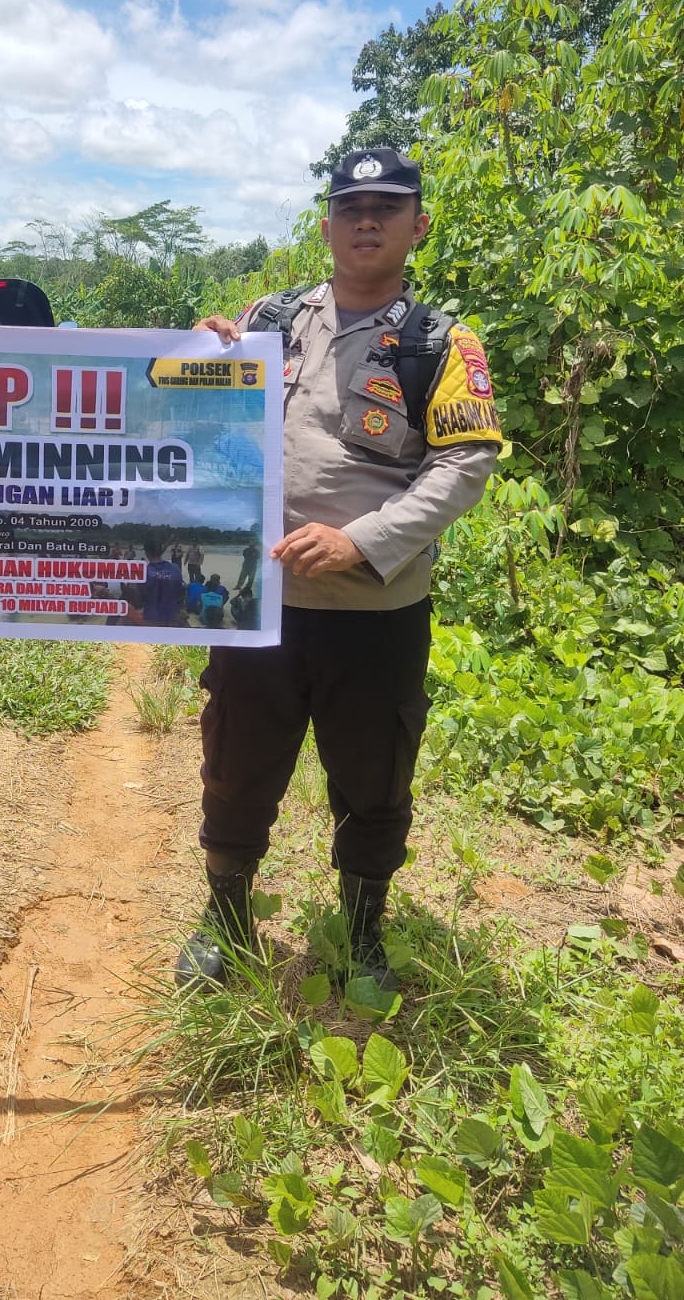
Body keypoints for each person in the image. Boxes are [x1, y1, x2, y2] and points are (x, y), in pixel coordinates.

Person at [176, 147, 502, 993]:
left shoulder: (443, 343)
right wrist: (204, 353)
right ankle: (227, 918)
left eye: (387, 207)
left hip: (377, 611)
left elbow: (463, 465)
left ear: (417, 226)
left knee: (373, 777)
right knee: (237, 766)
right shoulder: (268, 320)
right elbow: (194, 420)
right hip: (258, 605)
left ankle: (364, 935)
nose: (367, 220)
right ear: (325, 225)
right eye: (351, 205)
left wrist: (361, 540)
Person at [141, 537, 186, 628]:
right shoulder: (175, 568)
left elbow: (139, 598)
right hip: (172, 619)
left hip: (151, 619)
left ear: (146, 552)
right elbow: (181, 593)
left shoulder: (143, 572)